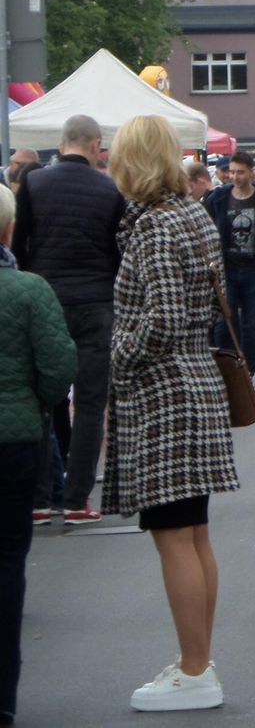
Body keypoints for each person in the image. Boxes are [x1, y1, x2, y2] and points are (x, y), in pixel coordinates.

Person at [101, 115, 240, 712]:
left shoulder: (155, 226)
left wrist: (120, 350)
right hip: (195, 383)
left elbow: (159, 319)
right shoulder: (191, 214)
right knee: (194, 534)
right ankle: (197, 662)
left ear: (132, 163)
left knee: (174, 536)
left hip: (165, 392)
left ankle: (194, 669)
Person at [14, 113, 126, 527]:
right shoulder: (110, 188)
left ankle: (41, 499)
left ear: (61, 144)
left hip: (45, 302)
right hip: (96, 303)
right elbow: (119, 253)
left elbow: (22, 242)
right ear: (97, 145)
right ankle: (78, 500)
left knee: (44, 399)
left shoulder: (34, 182)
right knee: (92, 403)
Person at [0, 183, 76, 728]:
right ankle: (2, 695)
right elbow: (58, 370)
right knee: (6, 566)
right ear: (8, 228)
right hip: (14, 441)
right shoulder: (28, 291)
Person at [204, 152, 255, 374]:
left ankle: (248, 372)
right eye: (232, 172)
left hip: (254, 270)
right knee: (223, 322)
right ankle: (227, 370)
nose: (235, 177)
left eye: (240, 172)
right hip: (226, 269)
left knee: (251, 323)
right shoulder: (218, 199)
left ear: (251, 172)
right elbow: (207, 231)